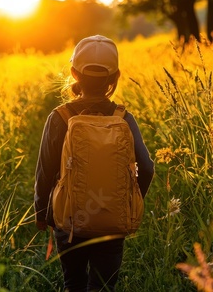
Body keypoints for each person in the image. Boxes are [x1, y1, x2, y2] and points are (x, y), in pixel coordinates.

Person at [34, 34, 154, 292]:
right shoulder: (124, 118)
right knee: (102, 287)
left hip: (69, 220)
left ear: (74, 73)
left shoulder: (59, 117)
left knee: (73, 284)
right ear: (115, 77)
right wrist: (127, 203)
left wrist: (42, 212)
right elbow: (146, 168)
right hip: (112, 220)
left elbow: (45, 172)